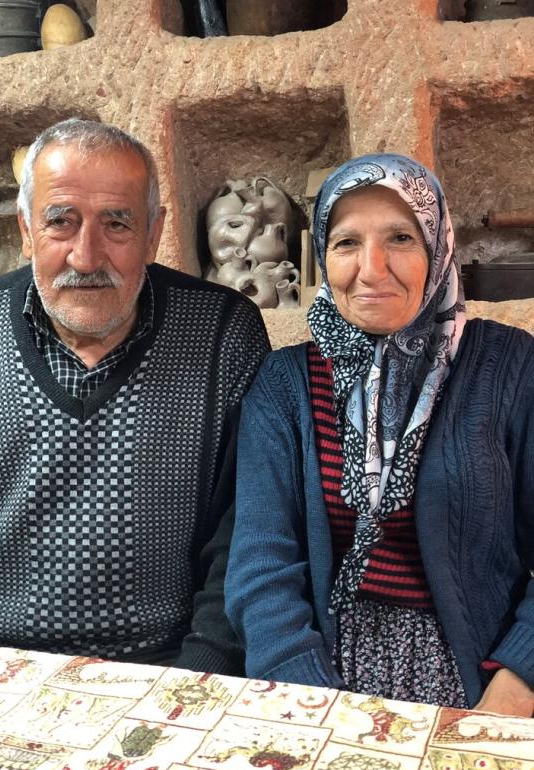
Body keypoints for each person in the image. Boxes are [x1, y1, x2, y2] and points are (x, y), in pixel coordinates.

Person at [0, 118, 270, 673]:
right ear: (27, 230)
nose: (86, 256)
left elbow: (246, 529)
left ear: (154, 234)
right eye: (61, 222)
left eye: (117, 224)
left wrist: (199, 676)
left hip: (168, 664)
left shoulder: (222, 333)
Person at [225, 153, 534, 716]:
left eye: (400, 238)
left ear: (439, 248)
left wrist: (513, 690)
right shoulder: (285, 384)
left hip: (484, 674)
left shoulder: (511, 370)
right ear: (322, 256)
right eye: (345, 243)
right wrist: (308, 699)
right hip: (319, 671)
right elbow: (261, 565)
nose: (371, 268)